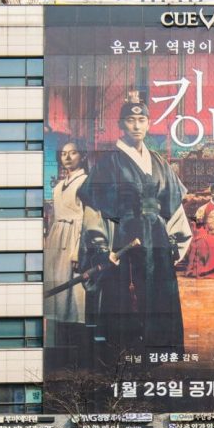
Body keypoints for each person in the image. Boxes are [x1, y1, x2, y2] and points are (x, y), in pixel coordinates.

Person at [78, 96, 191, 359]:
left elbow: (174, 207)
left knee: (160, 293)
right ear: (121, 124)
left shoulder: (159, 161)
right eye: (131, 120)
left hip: (158, 239)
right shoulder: (109, 163)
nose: (136, 126)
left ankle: (161, 349)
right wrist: (99, 246)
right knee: (127, 294)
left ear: (149, 124)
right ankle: (128, 354)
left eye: (142, 120)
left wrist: (176, 241)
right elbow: (94, 208)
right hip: (125, 238)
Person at [44, 140, 89, 345]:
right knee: (58, 291)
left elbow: (87, 218)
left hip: (75, 236)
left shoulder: (85, 181)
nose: (68, 157)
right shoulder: (58, 186)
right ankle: (60, 344)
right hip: (57, 237)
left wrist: (78, 251)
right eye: (64, 154)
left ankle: (77, 346)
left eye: (73, 153)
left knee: (75, 292)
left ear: (83, 156)